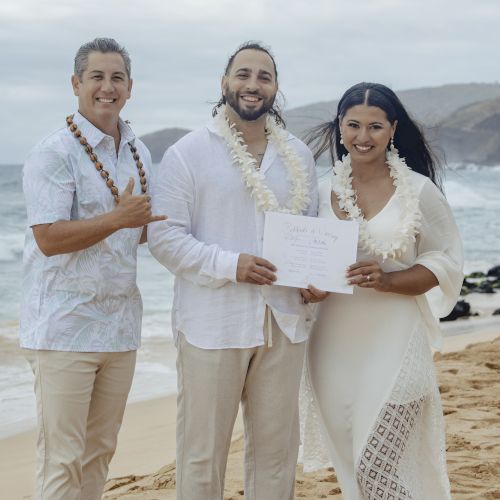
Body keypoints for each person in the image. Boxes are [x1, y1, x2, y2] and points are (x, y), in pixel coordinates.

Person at [148, 41, 319, 499]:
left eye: (264, 76)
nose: (253, 84)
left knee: (278, 452)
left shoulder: (298, 157)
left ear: (276, 88)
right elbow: (164, 240)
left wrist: (317, 279)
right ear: (224, 83)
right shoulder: (187, 154)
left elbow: (313, 232)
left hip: (283, 321)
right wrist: (231, 264)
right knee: (202, 455)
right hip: (212, 324)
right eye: (243, 74)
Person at [299, 82, 463, 499]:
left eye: (374, 126)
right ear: (340, 128)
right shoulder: (319, 194)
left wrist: (389, 280)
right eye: (353, 125)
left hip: (395, 339)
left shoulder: (419, 191)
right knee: (353, 468)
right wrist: (309, 289)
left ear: (392, 129)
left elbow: (445, 261)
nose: (363, 136)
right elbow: (304, 262)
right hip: (332, 345)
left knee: (378, 464)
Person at [20, 38, 165, 500]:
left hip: (120, 328)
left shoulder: (138, 151)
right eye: (97, 77)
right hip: (64, 330)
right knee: (61, 460)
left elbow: (139, 230)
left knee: (100, 452)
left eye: (117, 77)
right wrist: (117, 219)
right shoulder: (54, 152)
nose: (107, 87)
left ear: (130, 87)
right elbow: (47, 238)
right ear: (76, 83)